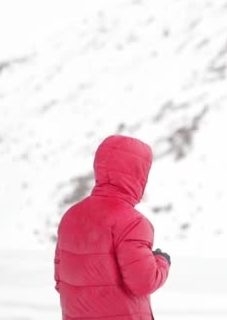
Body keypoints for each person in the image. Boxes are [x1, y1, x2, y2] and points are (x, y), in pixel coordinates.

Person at [54, 135, 171, 320]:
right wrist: (162, 261)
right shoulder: (133, 223)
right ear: (138, 174)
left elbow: (61, 281)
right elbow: (143, 282)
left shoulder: (71, 216)